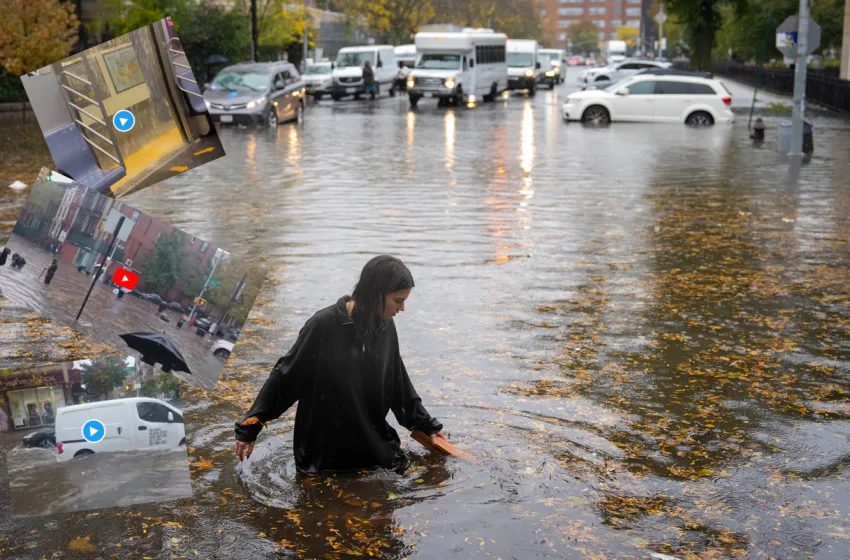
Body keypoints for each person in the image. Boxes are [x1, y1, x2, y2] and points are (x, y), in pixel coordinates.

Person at [234, 255, 446, 474]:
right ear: (376, 294)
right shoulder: (323, 325)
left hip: (371, 449)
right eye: (398, 300)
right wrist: (251, 426)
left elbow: (398, 385)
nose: (402, 308)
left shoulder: (385, 327)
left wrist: (427, 425)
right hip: (323, 457)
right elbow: (285, 377)